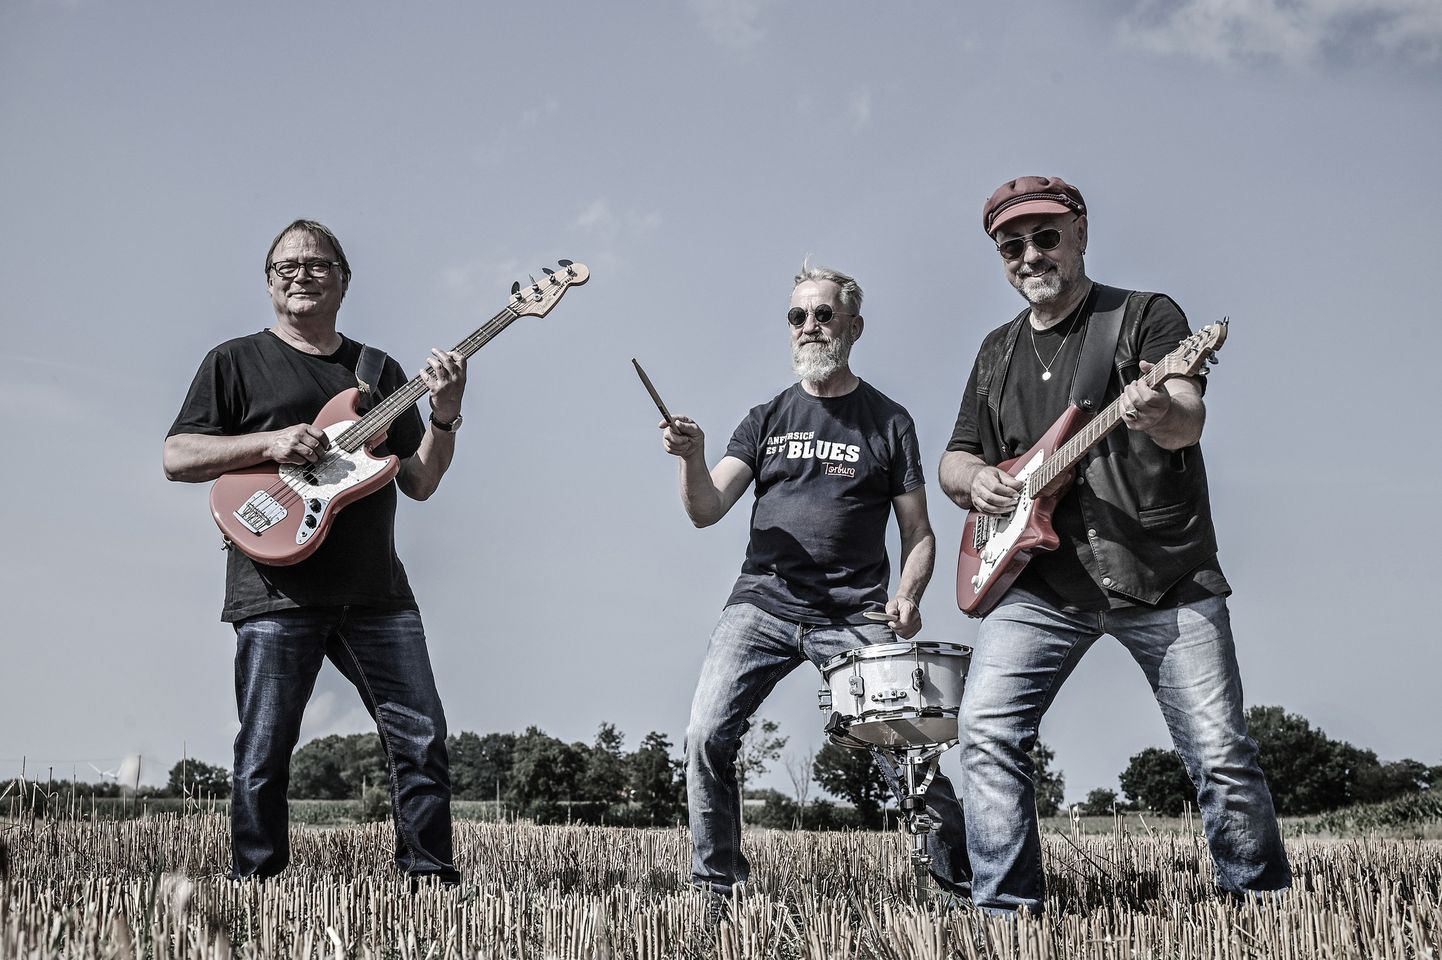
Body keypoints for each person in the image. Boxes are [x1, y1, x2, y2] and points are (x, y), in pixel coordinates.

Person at [939, 176, 1292, 913]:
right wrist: (978, 481)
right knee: (985, 731)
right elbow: (955, 457)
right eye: (1012, 246)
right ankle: (1005, 914)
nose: (1030, 255)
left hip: (1162, 573)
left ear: (1080, 233)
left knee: (1220, 752)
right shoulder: (996, 350)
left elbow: (1188, 418)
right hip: (1039, 584)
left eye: (1045, 237)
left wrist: (1157, 410)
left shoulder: (1144, 316)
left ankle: (1259, 908)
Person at [164, 219, 468, 884]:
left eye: (317, 264)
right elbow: (177, 455)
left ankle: (429, 882)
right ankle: (258, 887)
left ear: (343, 280)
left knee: (421, 740)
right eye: (287, 266)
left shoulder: (379, 371)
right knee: (265, 751)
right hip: (276, 589)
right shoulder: (234, 360)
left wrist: (445, 414)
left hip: (377, 590)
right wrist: (268, 443)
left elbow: (419, 481)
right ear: (270, 283)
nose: (302, 274)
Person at [661, 261, 969, 900]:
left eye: (824, 314)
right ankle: (716, 887)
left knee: (908, 748)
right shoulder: (766, 417)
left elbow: (919, 532)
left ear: (855, 327)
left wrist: (908, 596)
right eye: (797, 316)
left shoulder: (889, 422)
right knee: (705, 735)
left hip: (855, 613)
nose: (809, 326)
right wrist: (692, 458)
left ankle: (954, 886)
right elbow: (706, 509)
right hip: (762, 605)